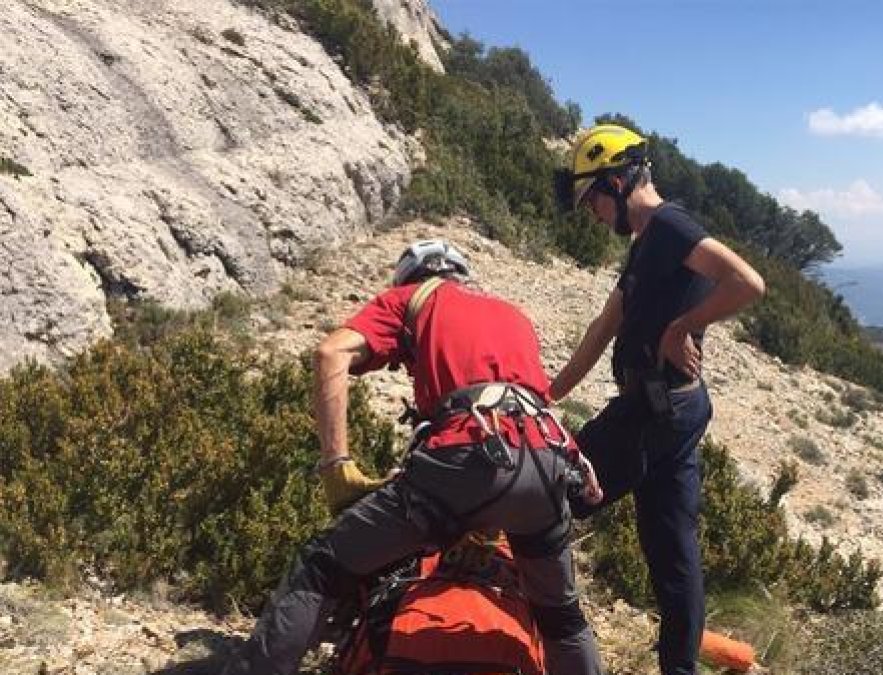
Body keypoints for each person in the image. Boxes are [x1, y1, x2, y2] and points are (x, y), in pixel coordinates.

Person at [222, 239, 605, 675]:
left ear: (411, 280)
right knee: (562, 619)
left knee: (323, 566)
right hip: (548, 461)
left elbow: (331, 354)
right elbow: (526, 408)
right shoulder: (510, 314)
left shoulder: (413, 299)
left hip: (469, 454)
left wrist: (336, 466)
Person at [550, 125, 765, 675]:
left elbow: (748, 283)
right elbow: (605, 325)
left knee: (549, 493)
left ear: (617, 182)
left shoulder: (668, 225)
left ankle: (532, 634)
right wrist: (547, 393)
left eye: (592, 198)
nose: (593, 213)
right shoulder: (645, 244)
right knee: (673, 557)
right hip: (677, 409)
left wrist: (682, 328)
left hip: (654, 413)